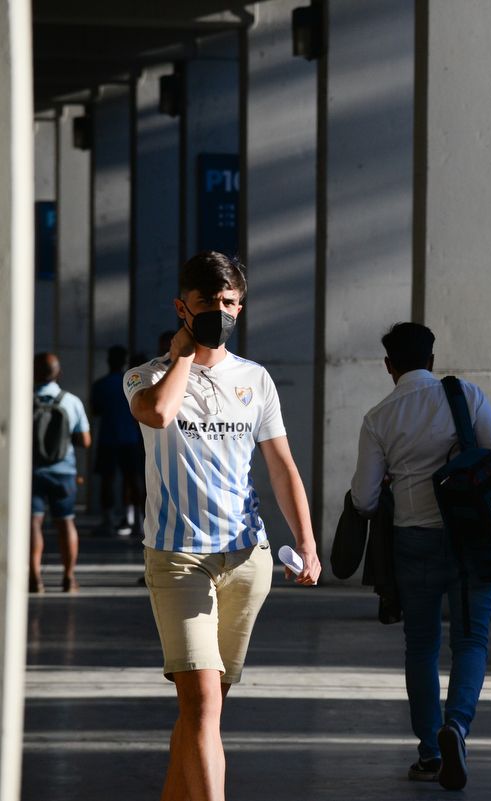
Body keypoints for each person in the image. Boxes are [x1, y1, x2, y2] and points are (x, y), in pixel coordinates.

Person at [125, 251, 321, 801]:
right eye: (209, 303)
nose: (222, 312)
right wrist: (184, 354)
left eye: (231, 303)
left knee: (203, 712)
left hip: (246, 558)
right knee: (203, 706)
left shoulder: (255, 380)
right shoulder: (146, 377)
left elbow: (281, 464)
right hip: (178, 558)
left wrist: (306, 543)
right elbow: (159, 415)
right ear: (181, 306)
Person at [349, 322, 491, 791]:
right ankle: (457, 727)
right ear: (432, 359)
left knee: (421, 647)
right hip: (472, 538)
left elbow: (364, 500)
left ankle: (429, 753)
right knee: (471, 640)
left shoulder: (379, 417)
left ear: (389, 366)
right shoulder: (465, 395)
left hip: (414, 541)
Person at [30, 352, 91, 593]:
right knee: (66, 522)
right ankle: (68, 577)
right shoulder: (71, 401)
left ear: (33, 373)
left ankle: (34, 578)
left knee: (33, 523)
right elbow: (85, 440)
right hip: (63, 471)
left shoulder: (23, 399)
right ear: (59, 373)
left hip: (31, 472)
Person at [91, 344, 144, 536]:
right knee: (133, 478)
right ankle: (137, 521)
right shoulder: (131, 384)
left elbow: (96, 410)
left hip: (108, 438)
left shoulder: (101, 384)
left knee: (108, 479)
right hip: (129, 438)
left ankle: (108, 520)